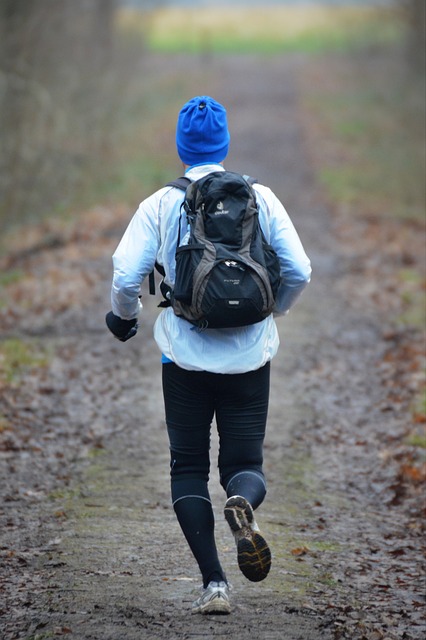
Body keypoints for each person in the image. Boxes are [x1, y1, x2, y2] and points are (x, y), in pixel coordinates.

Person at [106, 96, 311, 615]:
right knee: (244, 463)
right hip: (250, 355)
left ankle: (215, 583)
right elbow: (300, 269)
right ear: (223, 144)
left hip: (185, 359)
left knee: (189, 467)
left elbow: (126, 273)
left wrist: (124, 316)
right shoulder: (260, 197)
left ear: (181, 147)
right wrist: (274, 312)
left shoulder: (159, 203)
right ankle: (242, 503)